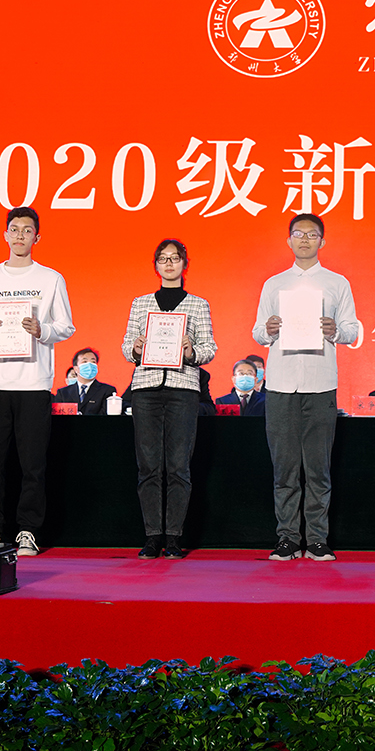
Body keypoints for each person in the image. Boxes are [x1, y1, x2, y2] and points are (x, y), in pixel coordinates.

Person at [0, 206, 75, 557]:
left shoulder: (51, 279)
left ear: (37, 237)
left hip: (33, 383)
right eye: (15, 229)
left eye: (27, 230)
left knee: (33, 464)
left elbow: (66, 326)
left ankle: (28, 531)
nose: (20, 236)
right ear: (5, 235)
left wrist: (43, 330)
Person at [252, 211, 362, 561]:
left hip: (320, 383)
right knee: (284, 468)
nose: (304, 239)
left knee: (318, 468)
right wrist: (268, 330)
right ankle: (287, 538)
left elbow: (353, 329)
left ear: (322, 241)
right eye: (298, 234)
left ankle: (316, 539)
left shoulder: (336, 283)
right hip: (281, 384)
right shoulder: (274, 284)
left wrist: (335, 331)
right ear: (289, 240)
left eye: (312, 234)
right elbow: (257, 332)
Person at [121, 237, 216, 559]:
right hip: (146, 389)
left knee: (178, 466)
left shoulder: (198, 305)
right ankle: (152, 536)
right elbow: (126, 346)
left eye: (175, 258)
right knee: (148, 466)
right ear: (156, 265)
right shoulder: (140, 303)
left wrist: (191, 352)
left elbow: (209, 348)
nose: (169, 263)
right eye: (163, 258)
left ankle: (174, 536)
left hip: (183, 389)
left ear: (184, 264)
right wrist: (135, 348)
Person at [55, 347, 116, 414]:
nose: (90, 365)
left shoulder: (107, 391)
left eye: (93, 362)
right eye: (85, 362)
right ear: (76, 369)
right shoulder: (63, 393)